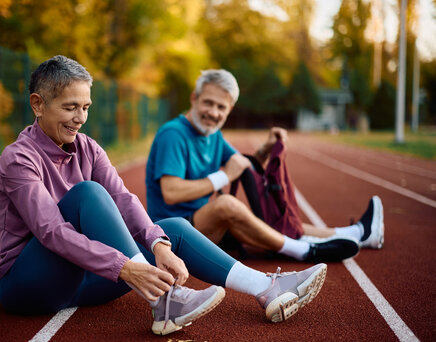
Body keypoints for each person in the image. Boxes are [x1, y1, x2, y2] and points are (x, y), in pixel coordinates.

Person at [0, 56, 329, 336]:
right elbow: (51, 232)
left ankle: (266, 288)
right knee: (88, 193)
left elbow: (123, 199)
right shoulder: (18, 159)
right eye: (70, 108)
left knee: (172, 229)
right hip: (26, 286)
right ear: (38, 104)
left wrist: (157, 244)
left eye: (86, 107)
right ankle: (165, 301)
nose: (81, 119)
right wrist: (125, 267)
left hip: (82, 280)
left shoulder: (88, 148)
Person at [145, 69, 384, 263]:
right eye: (208, 103)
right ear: (194, 99)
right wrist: (223, 177)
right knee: (226, 204)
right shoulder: (173, 134)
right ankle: (301, 250)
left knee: (265, 220)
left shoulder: (212, 135)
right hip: (169, 236)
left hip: (197, 226)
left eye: (222, 107)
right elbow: (171, 192)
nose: (214, 113)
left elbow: (247, 167)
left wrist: (265, 149)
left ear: (230, 110)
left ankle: (355, 234)